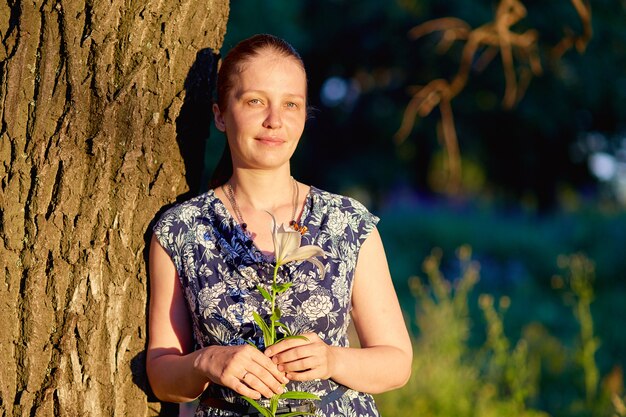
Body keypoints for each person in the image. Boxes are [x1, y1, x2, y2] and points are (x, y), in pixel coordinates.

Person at [146, 34, 412, 417]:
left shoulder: (348, 223)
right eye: (255, 101)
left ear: (304, 116)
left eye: (291, 104)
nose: (274, 121)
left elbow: (397, 362)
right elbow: (161, 375)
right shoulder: (180, 230)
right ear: (220, 114)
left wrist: (333, 361)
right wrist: (205, 362)